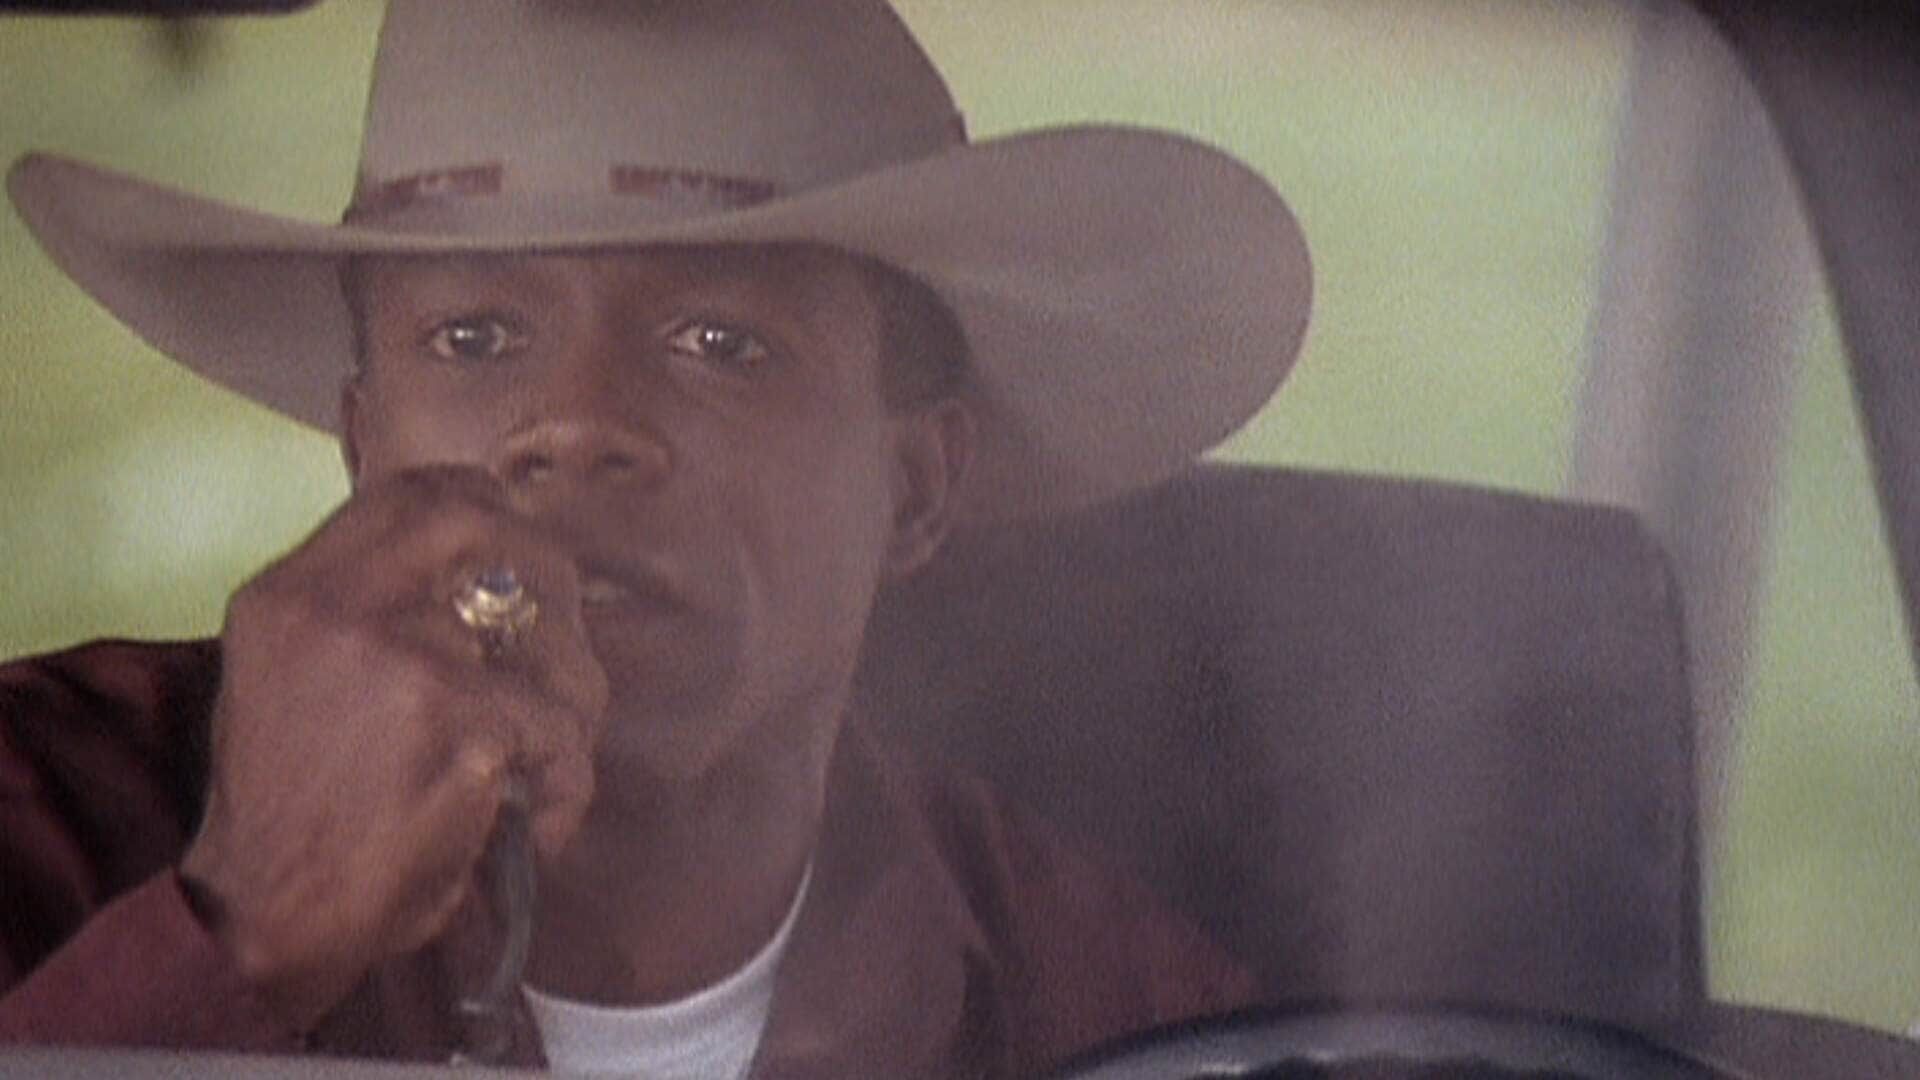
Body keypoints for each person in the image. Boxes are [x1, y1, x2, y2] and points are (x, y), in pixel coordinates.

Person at [0, 1, 1311, 1076]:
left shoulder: (1131, 1017)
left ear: (915, 488)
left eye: (721, 343)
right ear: (363, 448)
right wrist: (239, 934)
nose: (576, 426)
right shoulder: (46, 815)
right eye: (474, 337)